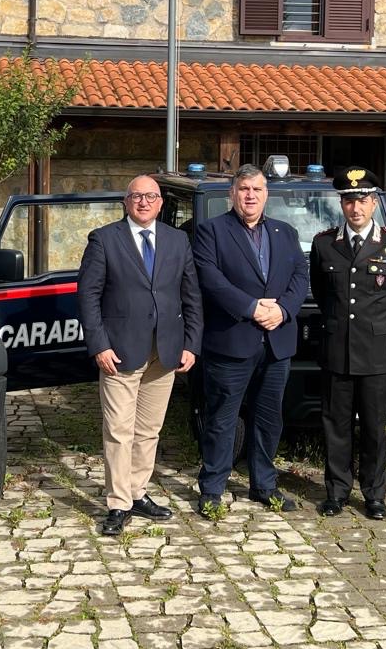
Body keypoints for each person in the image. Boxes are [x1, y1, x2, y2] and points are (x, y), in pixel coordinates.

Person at [78, 174, 202, 537]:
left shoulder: (178, 240)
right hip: (119, 351)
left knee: (148, 429)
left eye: (151, 196)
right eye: (137, 196)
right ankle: (118, 504)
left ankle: (137, 492)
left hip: (165, 351)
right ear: (126, 202)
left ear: (161, 203)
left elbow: (191, 295)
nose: (144, 202)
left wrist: (191, 344)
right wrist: (99, 344)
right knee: (118, 430)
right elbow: (88, 297)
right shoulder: (104, 240)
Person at [192, 163, 309, 517]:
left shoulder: (286, 233)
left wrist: (284, 311)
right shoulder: (211, 232)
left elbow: (300, 278)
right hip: (231, 342)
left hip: (276, 343)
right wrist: (251, 308)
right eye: (244, 189)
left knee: (269, 418)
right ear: (233, 194)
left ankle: (264, 485)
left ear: (266, 194)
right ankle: (212, 487)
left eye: (257, 190)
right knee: (222, 418)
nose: (250, 196)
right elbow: (210, 280)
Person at [309, 167, 386, 520]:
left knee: (373, 427)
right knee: (335, 425)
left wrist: (373, 329)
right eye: (350, 200)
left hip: (376, 353)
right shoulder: (325, 244)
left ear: (374, 203)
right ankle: (336, 491)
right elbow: (325, 297)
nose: (356, 208)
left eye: (364, 200)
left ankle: (374, 494)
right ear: (342, 204)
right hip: (337, 349)